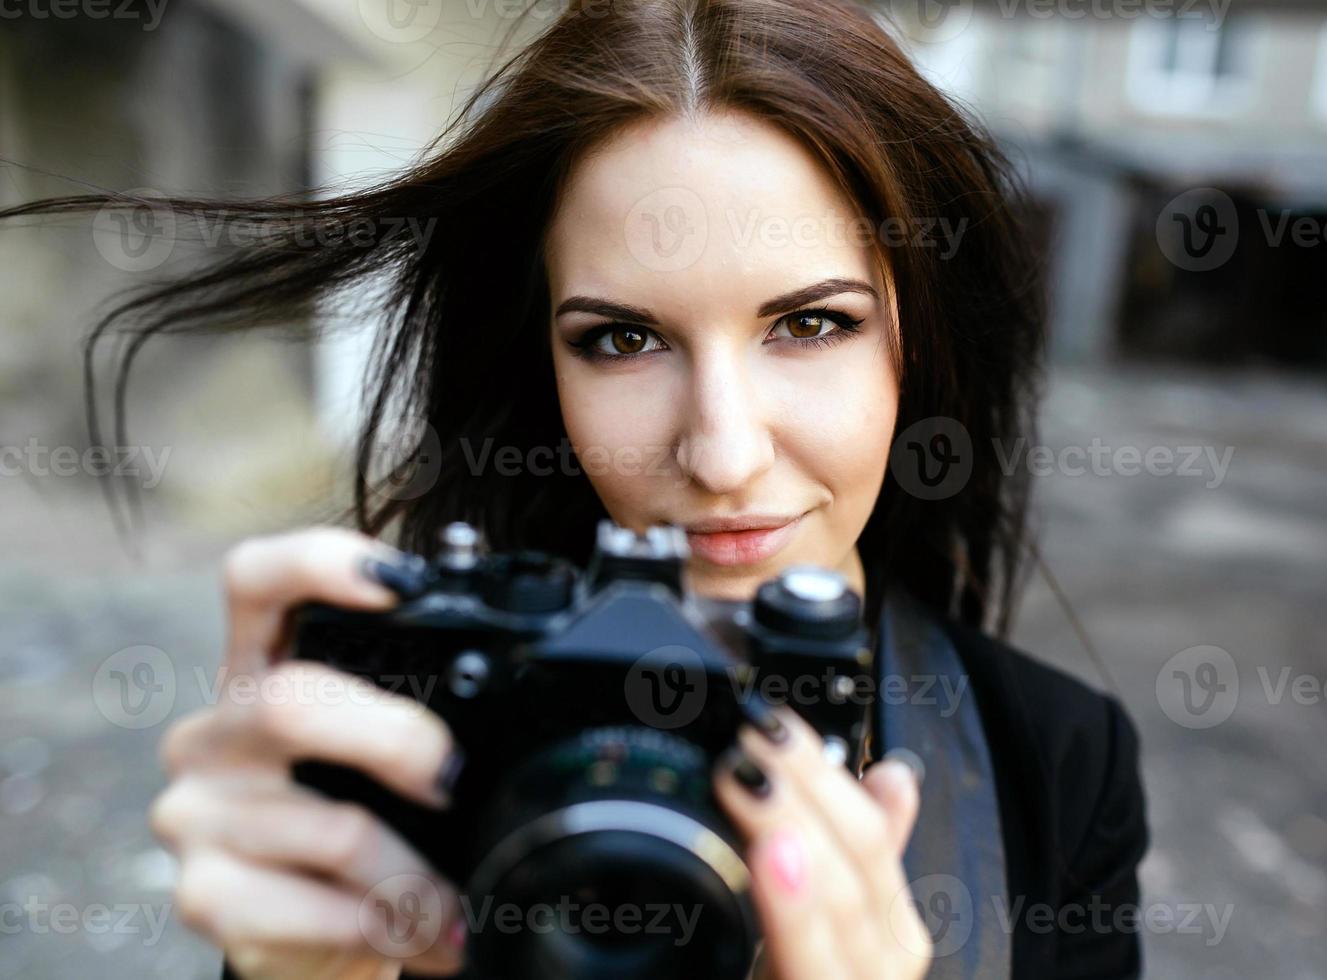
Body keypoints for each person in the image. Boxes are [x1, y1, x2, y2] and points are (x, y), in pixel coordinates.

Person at [4, 0, 1149, 976]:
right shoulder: (414, 726)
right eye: (621, 340)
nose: (723, 450)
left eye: (810, 324)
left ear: (921, 333)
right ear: (536, 361)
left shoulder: (1055, 761)